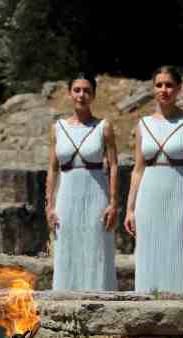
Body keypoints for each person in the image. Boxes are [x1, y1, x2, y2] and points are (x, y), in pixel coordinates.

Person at [124, 66, 183, 292]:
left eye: (169, 85)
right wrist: (130, 209)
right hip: (149, 198)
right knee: (149, 257)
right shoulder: (144, 124)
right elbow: (138, 169)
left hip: (181, 195)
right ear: (153, 89)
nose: (164, 90)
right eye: (159, 85)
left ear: (178, 89)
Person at [46, 74, 118, 291]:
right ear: (69, 93)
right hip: (66, 196)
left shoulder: (104, 127)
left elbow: (114, 166)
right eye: (77, 90)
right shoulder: (57, 128)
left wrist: (114, 203)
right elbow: (52, 168)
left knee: (97, 247)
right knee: (67, 246)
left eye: (87, 91)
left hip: (96, 194)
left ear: (94, 95)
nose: (81, 95)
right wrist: (49, 204)